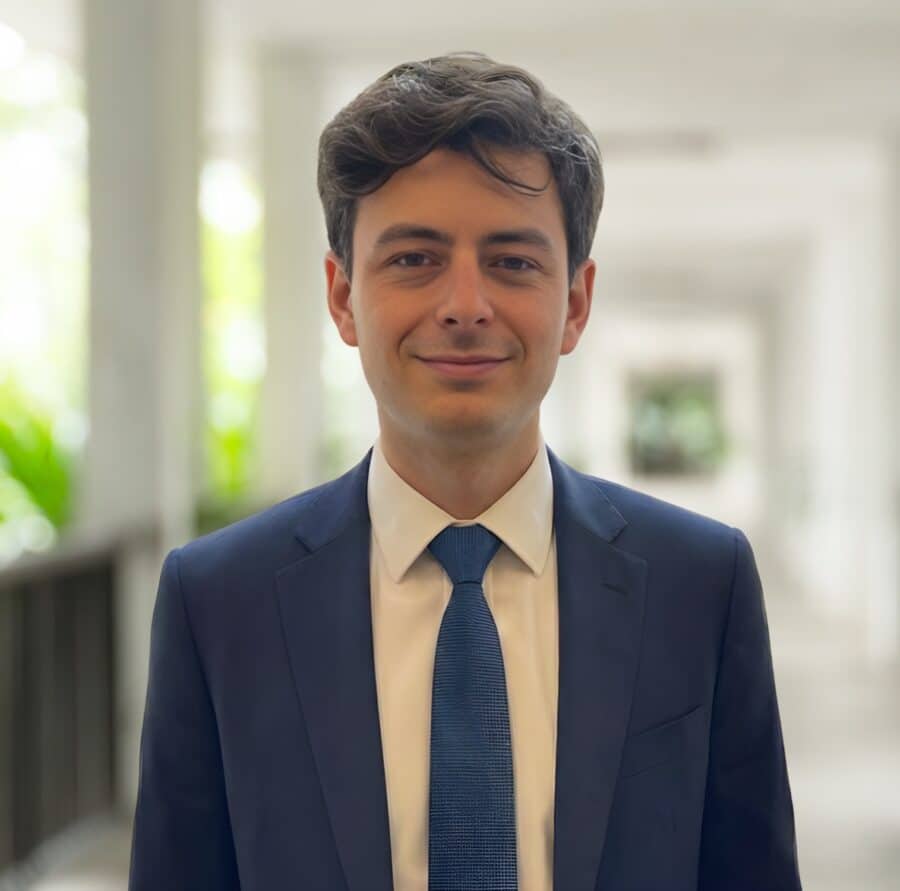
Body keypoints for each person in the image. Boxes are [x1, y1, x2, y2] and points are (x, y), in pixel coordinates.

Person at [128, 52, 802, 890]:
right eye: (414, 258)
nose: (465, 303)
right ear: (342, 296)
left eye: (513, 261)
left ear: (576, 304)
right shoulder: (219, 600)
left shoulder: (700, 583)